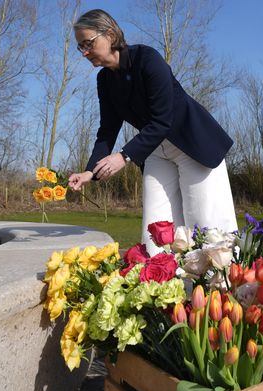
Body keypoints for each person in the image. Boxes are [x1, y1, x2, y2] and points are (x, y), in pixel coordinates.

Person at [68, 9, 238, 254]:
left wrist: (124, 156)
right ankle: (160, 288)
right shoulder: (104, 81)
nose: (84, 52)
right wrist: (89, 171)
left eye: (88, 43)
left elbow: (162, 120)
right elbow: (107, 130)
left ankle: (220, 289)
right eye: (80, 47)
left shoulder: (147, 58)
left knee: (206, 225)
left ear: (110, 34)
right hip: (154, 149)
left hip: (192, 143)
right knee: (156, 229)